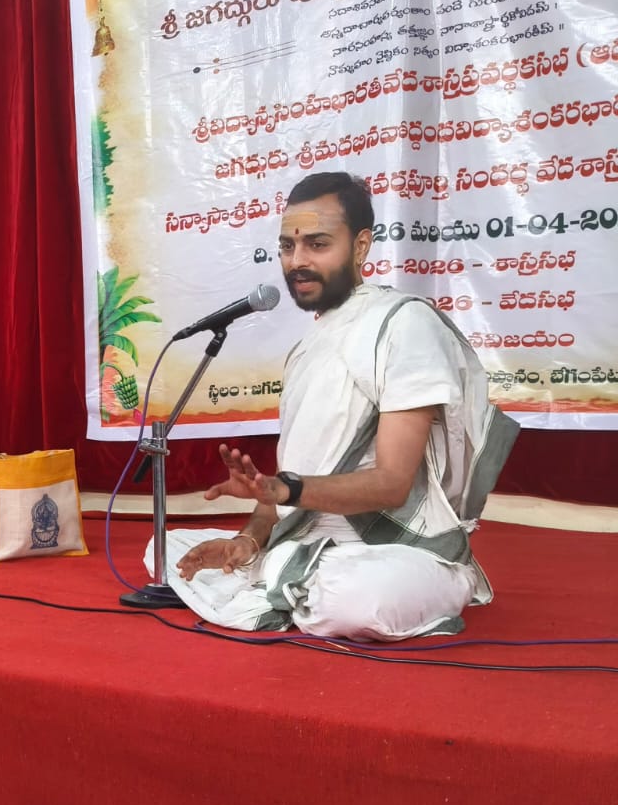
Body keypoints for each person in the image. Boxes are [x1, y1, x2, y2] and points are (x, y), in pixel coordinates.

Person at [160, 172, 518, 641]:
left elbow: (391, 484)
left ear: (361, 245)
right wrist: (247, 540)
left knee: (359, 597)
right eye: (287, 246)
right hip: (305, 540)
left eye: (317, 244)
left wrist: (285, 490)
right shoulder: (306, 349)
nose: (297, 261)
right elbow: (285, 494)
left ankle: (295, 584)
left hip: (389, 549)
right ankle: (284, 578)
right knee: (163, 547)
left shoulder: (402, 324)